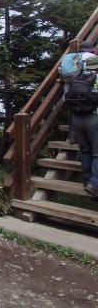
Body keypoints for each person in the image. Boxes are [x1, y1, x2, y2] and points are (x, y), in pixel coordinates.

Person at [68, 41, 98, 197]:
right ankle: (94, 184)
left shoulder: (77, 77)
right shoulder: (96, 78)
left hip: (78, 119)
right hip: (94, 118)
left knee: (85, 150)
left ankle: (86, 181)